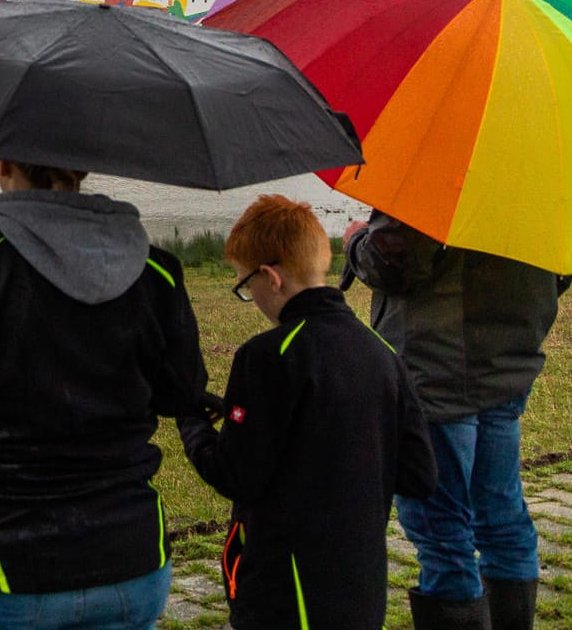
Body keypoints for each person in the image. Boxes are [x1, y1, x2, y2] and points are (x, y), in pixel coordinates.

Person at [0, 160, 209, 629]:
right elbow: (183, 392)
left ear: (3, 164)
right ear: (85, 168)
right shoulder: (158, 273)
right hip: (130, 563)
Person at [179, 195, 436, 629]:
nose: (252, 298)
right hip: (360, 587)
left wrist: (191, 422)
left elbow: (235, 474)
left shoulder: (267, 356)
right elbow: (419, 475)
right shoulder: (383, 352)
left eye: (245, 286)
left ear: (271, 277)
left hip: (283, 592)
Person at [345, 211, 570, 630]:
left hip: (437, 369)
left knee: (443, 534)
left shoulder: (442, 156)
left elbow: (398, 259)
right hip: (506, 359)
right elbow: (563, 264)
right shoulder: (547, 165)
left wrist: (356, 241)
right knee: (502, 517)